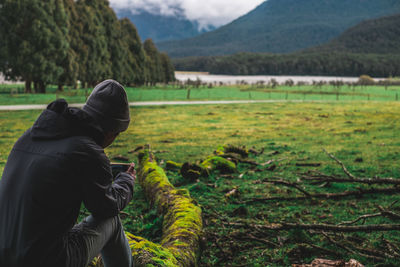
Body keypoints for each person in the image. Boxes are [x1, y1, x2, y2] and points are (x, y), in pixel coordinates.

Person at [0, 80, 135, 267]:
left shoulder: (30, 136)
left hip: (4, 254)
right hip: (46, 260)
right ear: (112, 132)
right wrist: (127, 180)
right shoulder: (88, 152)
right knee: (111, 220)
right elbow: (106, 207)